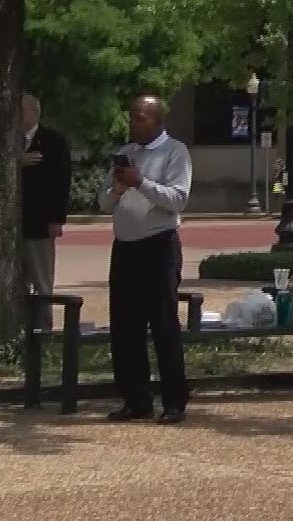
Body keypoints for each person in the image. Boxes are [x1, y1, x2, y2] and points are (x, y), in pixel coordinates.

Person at [97, 94, 193, 425]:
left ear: (157, 120)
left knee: (163, 324)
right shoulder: (125, 154)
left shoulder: (175, 152)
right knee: (125, 326)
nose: (133, 123)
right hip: (125, 248)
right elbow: (103, 204)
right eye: (131, 117)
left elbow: (178, 199)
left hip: (159, 246)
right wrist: (117, 191)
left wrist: (141, 182)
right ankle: (135, 399)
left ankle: (174, 401)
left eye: (140, 117)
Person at [18, 92, 73, 331]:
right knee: (17, 281)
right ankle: (20, 329)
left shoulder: (53, 141)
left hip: (39, 222)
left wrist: (56, 219)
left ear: (34, 112)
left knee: (41, 279)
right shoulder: (8, 142)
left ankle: (43, 329)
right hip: (13, 223)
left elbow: (61, 182)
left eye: (20, 110)